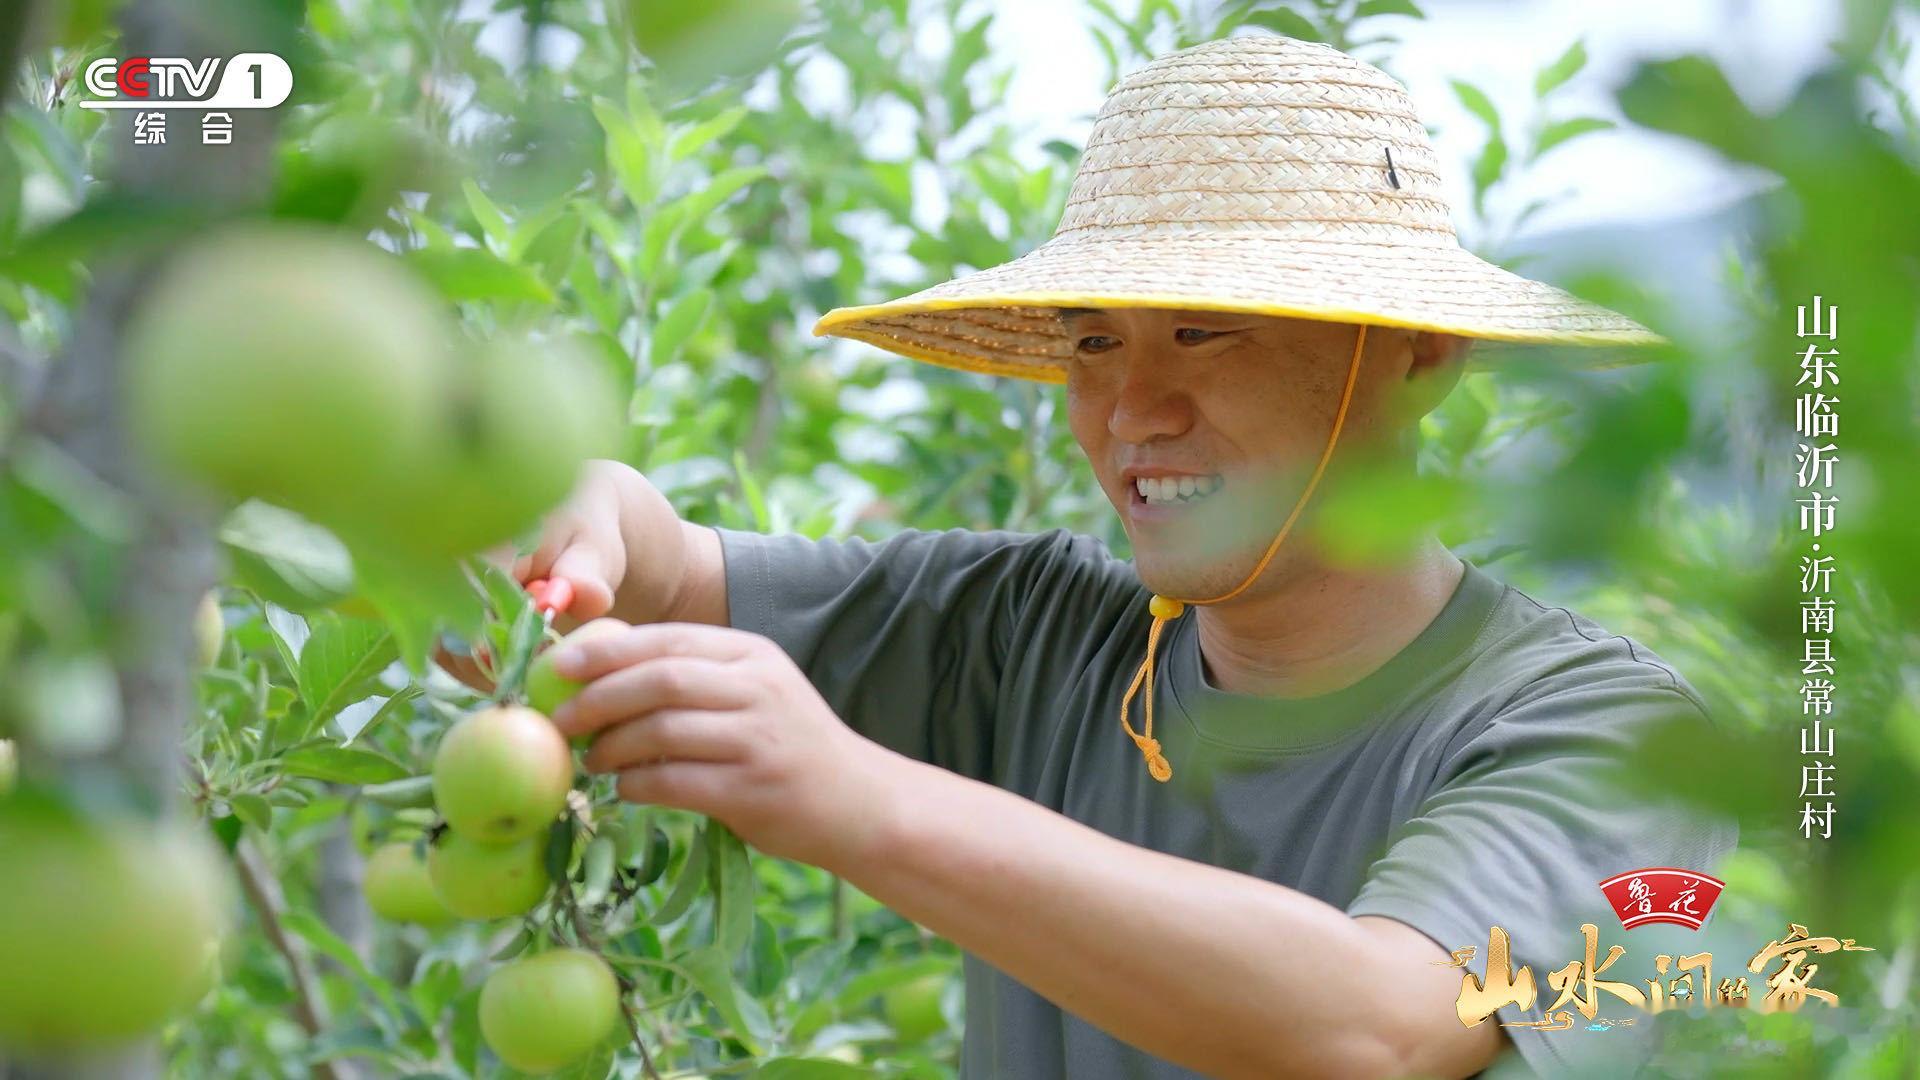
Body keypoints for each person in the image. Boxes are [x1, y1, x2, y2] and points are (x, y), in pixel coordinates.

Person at [459, 35, 1735, 1080]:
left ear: (1414, 356)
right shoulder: (1037, 632)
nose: (1135, 410)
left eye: (1204, 332)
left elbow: (1380, 1025)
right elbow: (671, 573)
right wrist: (590, 511)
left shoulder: (1599, 731)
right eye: (1094, 342)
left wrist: (857, 797)